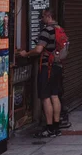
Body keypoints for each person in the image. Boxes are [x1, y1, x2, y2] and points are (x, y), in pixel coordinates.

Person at [18, 8, 62, 137]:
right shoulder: (59, 29)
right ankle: (56, 127)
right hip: (58, 66)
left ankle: (49, 128)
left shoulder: (46, 31)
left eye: (43, 16)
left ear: (48, 16)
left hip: (47, 67)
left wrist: (26, 53)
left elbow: (38, 50)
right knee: (55, 95)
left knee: (45, 97)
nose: (41, 19)